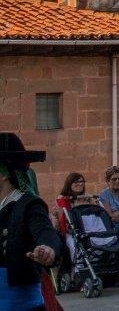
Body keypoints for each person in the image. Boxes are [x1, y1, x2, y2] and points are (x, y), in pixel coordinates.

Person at [0, 132, 62, 311]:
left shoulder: (28, 205)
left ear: (4, 173)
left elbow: (45, 232)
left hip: (20, 305)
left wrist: (48, 249)